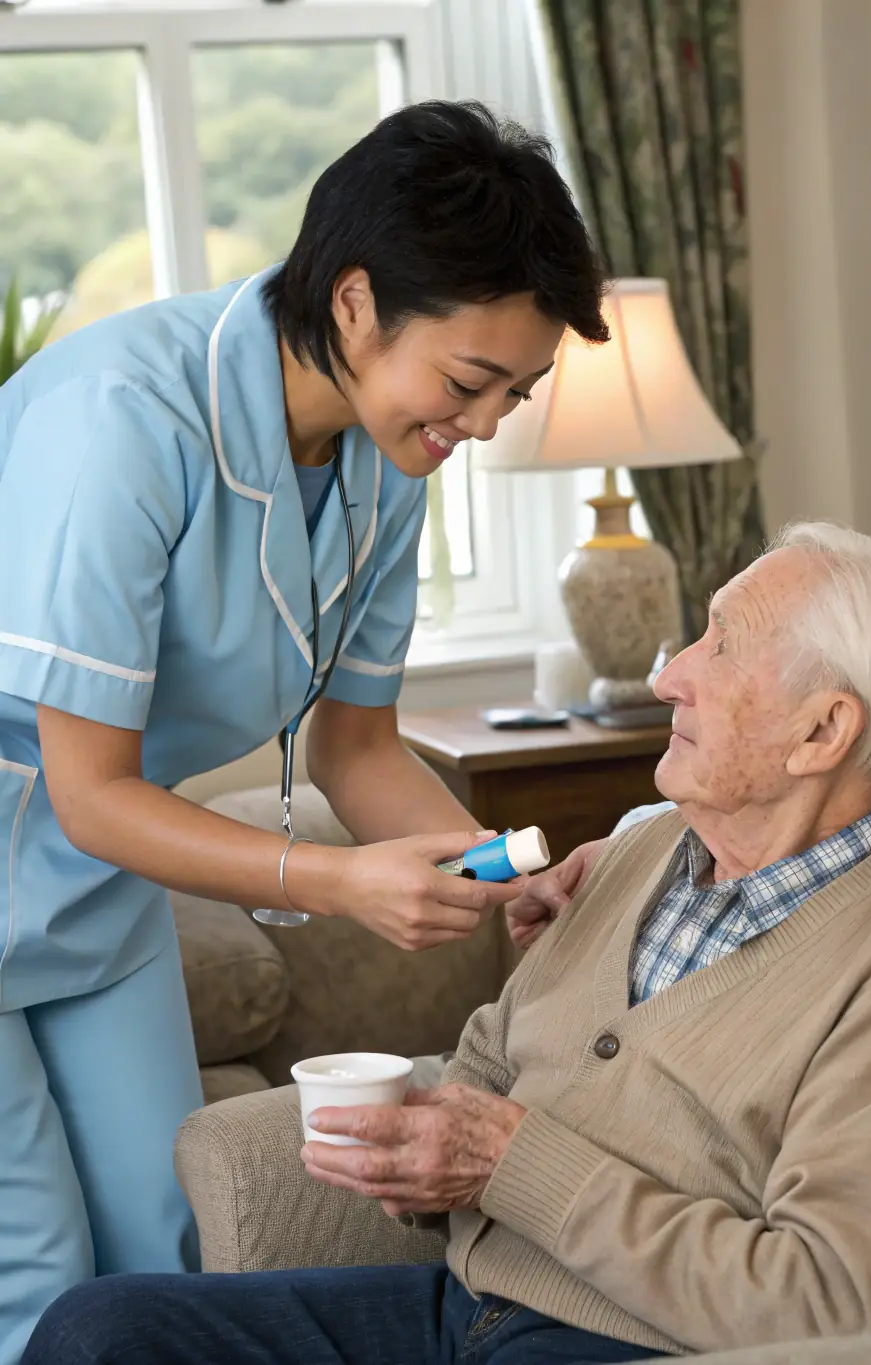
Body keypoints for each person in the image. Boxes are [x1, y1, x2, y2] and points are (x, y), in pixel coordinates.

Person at [26, 522, 871, 1365]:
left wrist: (510, 1162)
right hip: (460, 1306)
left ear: (821, 732)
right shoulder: (643, 852)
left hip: (630, 1345)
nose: (669, 675)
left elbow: (813, 1302)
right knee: (100, 1328)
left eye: (718, 648)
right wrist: (422, 1159)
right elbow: (491, 1057)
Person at [0, 100, 609, 1364]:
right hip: (76, 813)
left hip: (101, 874)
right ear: (353, 304)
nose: (486, 424)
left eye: (518, 391)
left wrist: (511, 876)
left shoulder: (390, 456)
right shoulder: (121, 418)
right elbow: (89, 786)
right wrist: (336, 881)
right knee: (33, 1273)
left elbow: (359, 752)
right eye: (469, 382)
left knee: (175, 1245)